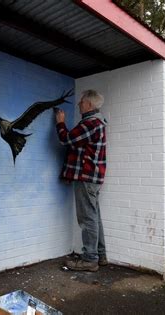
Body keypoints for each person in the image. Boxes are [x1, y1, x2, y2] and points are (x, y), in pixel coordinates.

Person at [55, 89, 108, 272]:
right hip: (90, 177)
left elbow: (67, 140)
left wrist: (60, 123)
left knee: (87, 218)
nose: (79, 104)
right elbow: (80, 151)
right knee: (94, 216)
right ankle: (99, 256)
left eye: (81, 102)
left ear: (89, 105)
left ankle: (90, 259)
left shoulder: (91, 124)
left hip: (87, 178)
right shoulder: (95, 123)